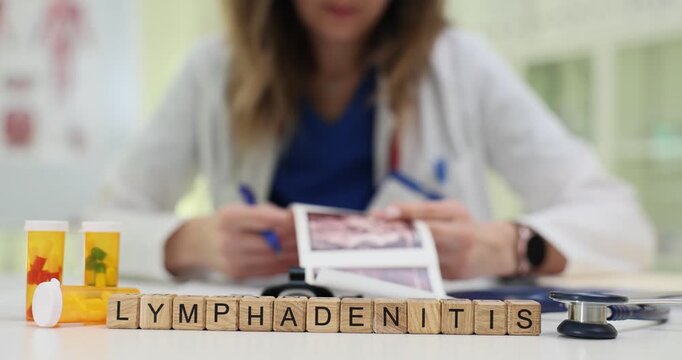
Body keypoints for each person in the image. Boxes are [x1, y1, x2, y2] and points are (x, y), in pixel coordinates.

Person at [94, 0, 655, 281]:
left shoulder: (460, 66)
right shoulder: (212, 70)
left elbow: (623, 224)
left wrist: (505, 247)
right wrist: (189, 243)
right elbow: (96, 229)